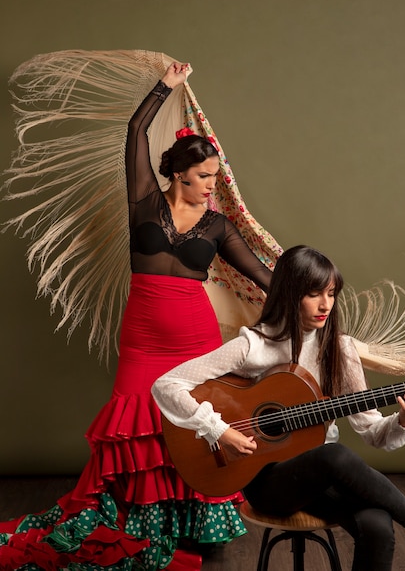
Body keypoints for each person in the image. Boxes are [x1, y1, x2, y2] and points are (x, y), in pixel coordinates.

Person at [0, 62, 274, 571]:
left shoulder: (217, 226)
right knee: (134, 422)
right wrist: (163, 88)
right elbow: (135, 131)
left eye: (215, 177)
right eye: (204, 177)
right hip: (143, 336)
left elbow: (262, 274)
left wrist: (309, 294)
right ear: (177, 173)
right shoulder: (143, 200)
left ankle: (195, 526)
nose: (213, 186)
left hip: (195, 337)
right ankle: (135, 518)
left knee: (192, 425)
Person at [152, 245, 405, 571]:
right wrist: (221, 432)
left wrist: (403, 419)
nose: (326, 305)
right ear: (290, 294)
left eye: (332, 294)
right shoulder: (253, 346)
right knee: (333, 455)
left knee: (378, 526)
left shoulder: (340, 349)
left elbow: (374, 433)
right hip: (269, 482)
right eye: (314, 294)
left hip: (324, 478)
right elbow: (166, 385)